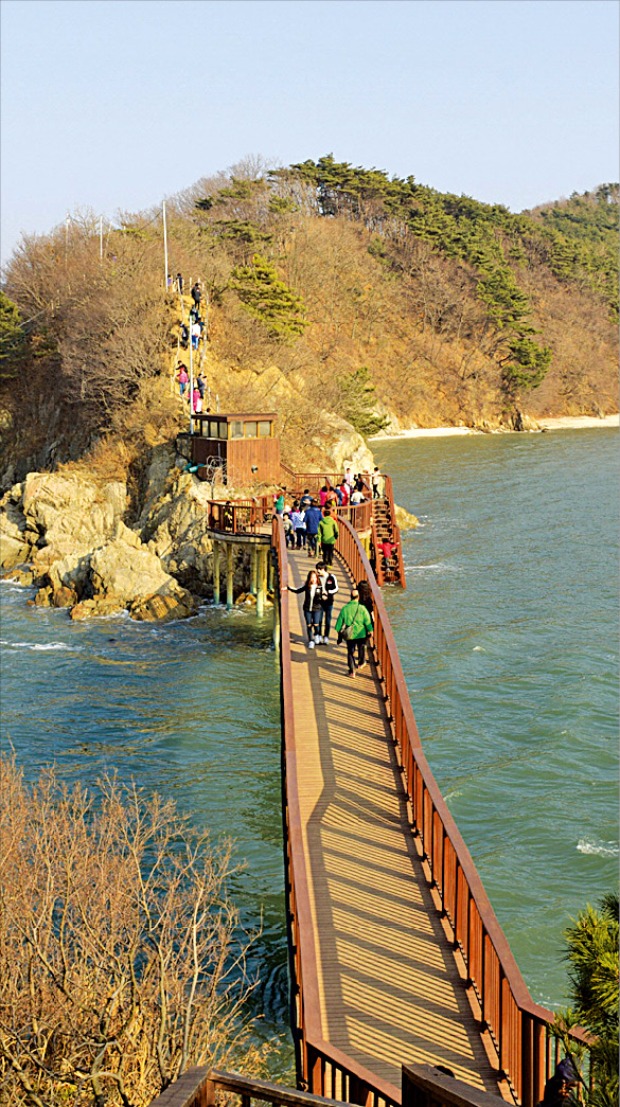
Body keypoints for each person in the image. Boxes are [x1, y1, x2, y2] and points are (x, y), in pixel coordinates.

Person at [335, 588, 373, 677]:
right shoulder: (362, 609)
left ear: (350, 597)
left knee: (350, 652)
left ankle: (352, 671)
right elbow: (367, 621)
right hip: (361, 633)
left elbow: (338, 626)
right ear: (358, 597)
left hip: (350, 635)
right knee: (361, 647)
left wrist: (339, 636)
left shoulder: (345, 609)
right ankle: (361, 662)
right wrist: (371, 631)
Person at [288, 570, 323, 648]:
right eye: (311, 577)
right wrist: (288, 588)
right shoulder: (307, 586)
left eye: (314, 577)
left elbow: (323, 597)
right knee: (309, 624)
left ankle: (317, 634)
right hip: (307, 608)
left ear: (317, 578)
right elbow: (298, 590)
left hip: (317, 608)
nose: (313, 579)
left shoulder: (320, 587)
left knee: (316, 624)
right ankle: (311, 640)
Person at [317, 561, 338, 643]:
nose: (318, 571)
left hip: (329, 602)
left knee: (328, 620)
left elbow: (336, 588)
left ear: (324, 569)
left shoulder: (331, 577)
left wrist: (328, 592)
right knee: (319, 620)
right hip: (319, 602)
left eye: (319, 569)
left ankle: (326, 636)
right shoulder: (317, 578)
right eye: (317, 569)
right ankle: (318, 635)